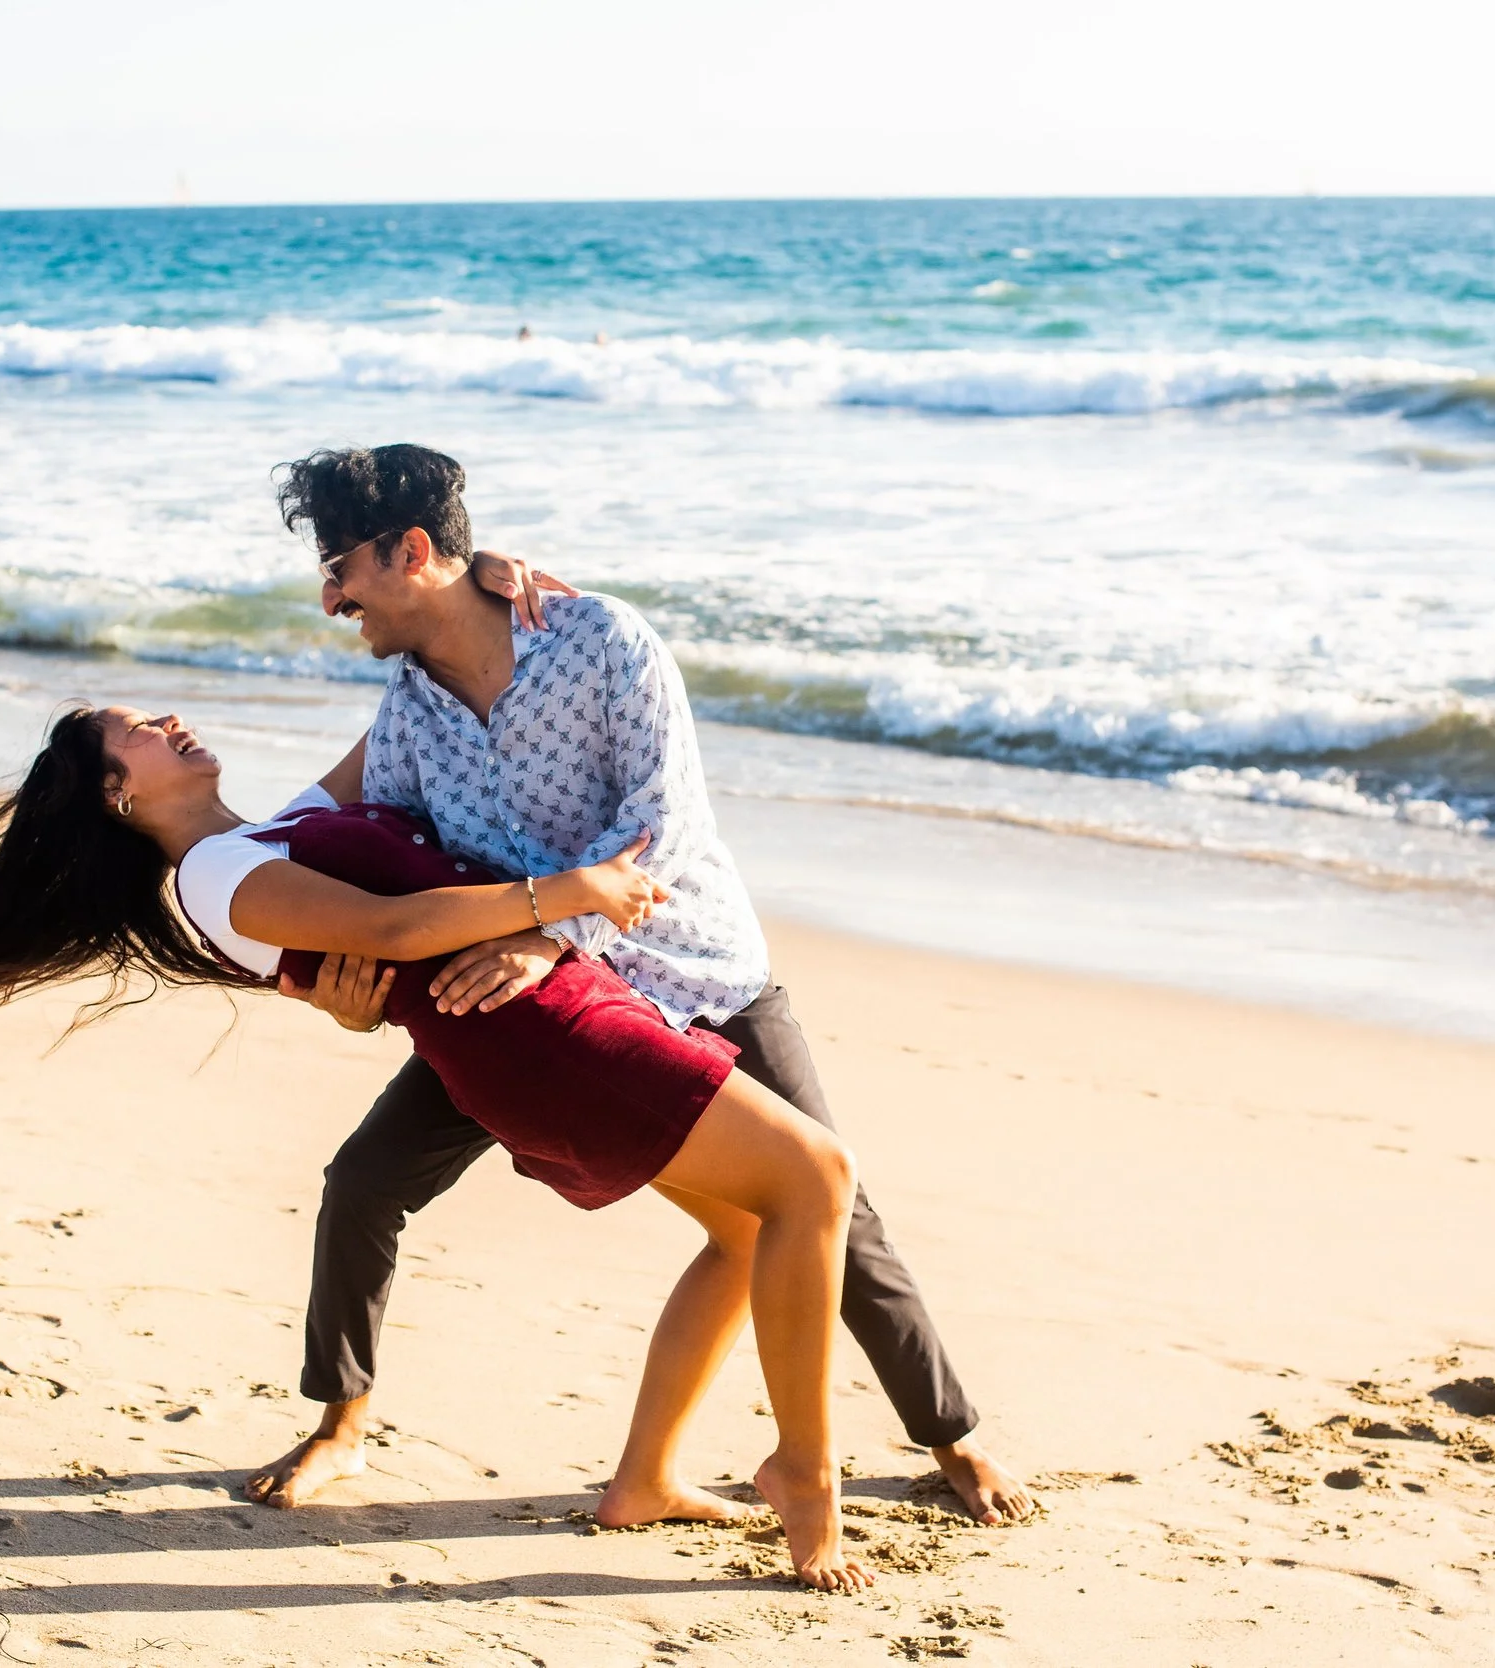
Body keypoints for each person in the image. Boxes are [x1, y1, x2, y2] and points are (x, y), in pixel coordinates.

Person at [0, 704, 874, 1592]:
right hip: (539, 1039)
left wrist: (499, 586)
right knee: (814, 1178)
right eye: (137, 731)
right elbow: (389, 933)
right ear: (118, 793)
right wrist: (567, 893)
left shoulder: (259, 835)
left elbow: (393, 722)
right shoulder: (218, 878)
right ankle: (804, 1481)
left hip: (546, 1007)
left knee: (744, 1232)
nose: (168, 722)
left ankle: (643, 1481)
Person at [248, 444, 1035, 1527]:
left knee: (830, 1205)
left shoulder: (601, 640)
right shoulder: (408, 714)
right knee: (364, 1184)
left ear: (414, 551)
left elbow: (659, 826)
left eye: (339, 564)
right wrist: (351, 987)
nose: (328, 595)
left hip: (694, 970)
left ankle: (951, 1439)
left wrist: (547, 930)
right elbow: (389, 851)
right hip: (528, 1009)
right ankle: (341, 1424)